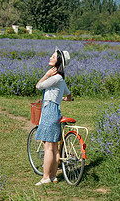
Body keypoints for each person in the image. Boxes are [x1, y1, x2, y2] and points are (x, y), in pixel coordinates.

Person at [34, 46, 73, 186]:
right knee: (54, 147)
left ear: (58, 63)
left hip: (49, 111)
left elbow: (38, 86)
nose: (50, 57)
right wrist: (62, 98)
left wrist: (46, 75)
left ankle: (46, 178)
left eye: (53, 57)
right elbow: (68, 95)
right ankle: (53, 176)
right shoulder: (61, 79)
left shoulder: (55, 78)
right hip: (55, 110)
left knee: (48, 146)